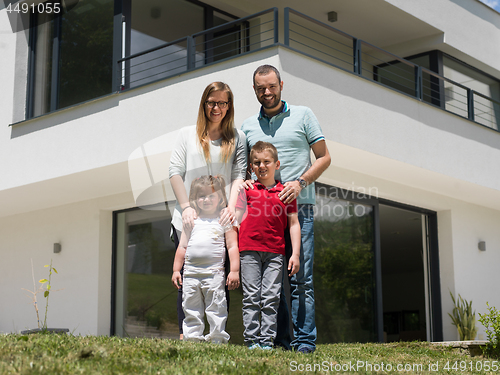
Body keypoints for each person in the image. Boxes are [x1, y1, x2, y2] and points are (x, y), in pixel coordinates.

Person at [241, 65, 331, 353]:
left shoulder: (304, 115)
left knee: (300, 278)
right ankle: (277, 340)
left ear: (281, 84)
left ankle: (304, 342)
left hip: (297, 209)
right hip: (261, 213)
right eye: (260, 88)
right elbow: (244, 169)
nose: (266, 92)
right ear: (254, 90)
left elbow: (324, 157)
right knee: (270, 282)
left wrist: (300, 182)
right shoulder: (247, 127)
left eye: (271, 86)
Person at [169, 82, 247, 339]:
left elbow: (238, 176)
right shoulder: (185, 135)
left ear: (229, 106)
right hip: (189, 220)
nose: (217, 108)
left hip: (219, 223)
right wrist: (185, 208)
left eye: (223, 103)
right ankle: (187, 335)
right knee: (187, 278)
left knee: (219, 279)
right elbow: (174, 173)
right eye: (212, 102)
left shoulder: (237, 138)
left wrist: (231, 209)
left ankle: (217, 334)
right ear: (204, 104)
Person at [235, 141, 301, 350]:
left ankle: (266, 342)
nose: (262, 166)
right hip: (248, 252)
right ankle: (252, 341)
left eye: (266, 161)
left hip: (275, 254)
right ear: (251, 167)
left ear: (277, 164)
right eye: (256, 162)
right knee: (252, 297)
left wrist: (296, 254)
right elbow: (235, 220)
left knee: (271, 297)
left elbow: (293, 223)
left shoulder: (286, 192)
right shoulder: (247, 190)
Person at [172, 175, 240, 343]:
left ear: (220, 198)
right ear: (195, 199)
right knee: (190, 307)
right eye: (202, 196)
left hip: (214, 274)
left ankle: (217, 338)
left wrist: (234, 271)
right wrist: (176, 270)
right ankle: (192, 337)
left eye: (211, 195)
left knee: (216, 307)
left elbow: (232, 246)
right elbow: (182, 247)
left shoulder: (224, 220)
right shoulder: (191, 220)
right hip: (191, 274)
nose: (207, 199)